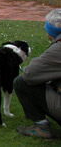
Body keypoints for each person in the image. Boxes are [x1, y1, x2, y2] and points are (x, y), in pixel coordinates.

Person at [13, 9, 61, 139]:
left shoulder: (58, 49)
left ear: (51, 33)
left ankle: (41, 127)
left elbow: (29, 74)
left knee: (22, 82)